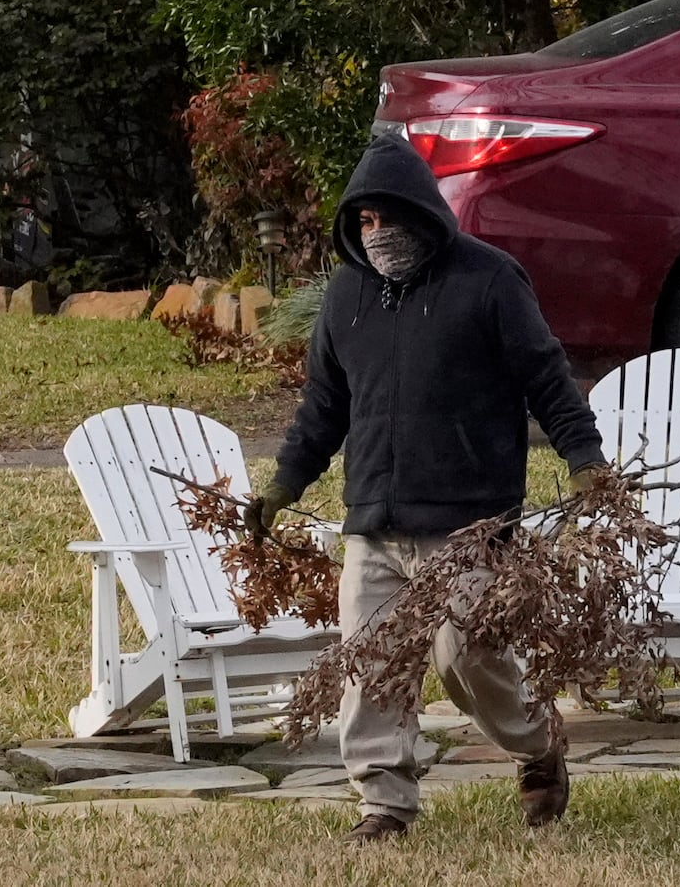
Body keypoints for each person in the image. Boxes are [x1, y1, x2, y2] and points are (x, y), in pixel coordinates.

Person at [246, 135, 609, 845]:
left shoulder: (491, 281)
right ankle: (384, 804)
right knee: (370, 665)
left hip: (469, 521)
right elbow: (324, 405)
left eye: (387, 218)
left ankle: (538, 748)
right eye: (363, 222)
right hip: (373, 522)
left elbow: (547, 379)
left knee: (467, 656)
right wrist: (283, 485)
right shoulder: (348, 295)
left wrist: (585, 461)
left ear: (423, 212)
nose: (375, 234)